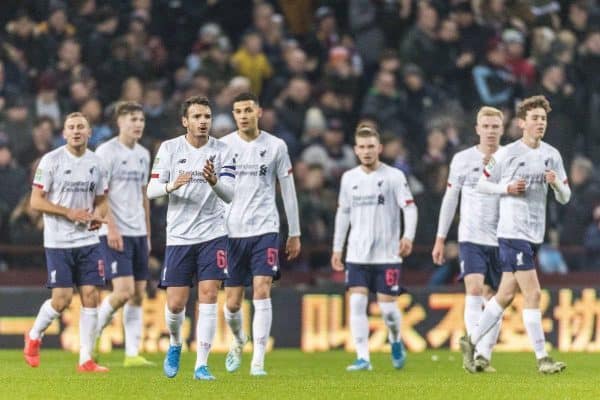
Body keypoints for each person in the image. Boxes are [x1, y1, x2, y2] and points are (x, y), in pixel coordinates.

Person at [460, 95, 570, 374]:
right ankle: (543, 358)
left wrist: (556, 184)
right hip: (511, 232)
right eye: (534, 118)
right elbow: (482, 185)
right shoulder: (506, 154)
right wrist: (505, 189)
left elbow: (566, 197)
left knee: (505, 295)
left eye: (543, 119)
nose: (539, 123)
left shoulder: (552, 155)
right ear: (522, 123)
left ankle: (470, 341)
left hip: (534, 234)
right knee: (533, 293)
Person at [147, 96, 235, 381]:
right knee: (175, 304)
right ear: (185, 121)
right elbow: (151, 190)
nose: (203, 122)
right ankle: (175, 343)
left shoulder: (223, 151)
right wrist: (173, 185)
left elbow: (231, 195)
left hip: (213, 233)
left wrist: (214, 181)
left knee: (208, 295)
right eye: (196, 117)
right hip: (179, 236)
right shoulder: (170, 149)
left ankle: (202, 364)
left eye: (207, 116)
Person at [220, 92, 301, 376]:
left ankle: (258, 362)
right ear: (233, 115)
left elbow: (287, 189)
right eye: (237, 111)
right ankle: (239, 337)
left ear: (259, 112)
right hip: (230, 232)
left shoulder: (276, 146)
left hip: (265, 228)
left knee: (262, 289)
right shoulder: (223, 146)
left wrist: (295, 232)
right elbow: (215, 192)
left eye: (247, 110)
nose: (242, 115)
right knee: (231, 304)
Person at [24, 112, 109, 372]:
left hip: (88, 239)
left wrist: (98, 217)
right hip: (58, 240)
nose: (76, 131)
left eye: (80, 127)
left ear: (89, 132)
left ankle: (85, 359)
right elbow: (35, 202)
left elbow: (103, 200)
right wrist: (68, 212)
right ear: (63, 133)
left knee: (91, 296)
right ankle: (34, 335)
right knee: (61, 300)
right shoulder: (51, 161)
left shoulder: (97, 163)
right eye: (71, 127)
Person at [331, 124, 417, 371]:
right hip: (357, 253)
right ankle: (363, 358)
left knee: (388, 310)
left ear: (379, 148)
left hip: (387, 254)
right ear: (356, 150)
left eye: (371, 147)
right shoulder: (349, 179)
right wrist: (338, 248)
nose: (367, 151)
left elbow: (409, 207)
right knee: (357, 304)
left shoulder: (394, 176)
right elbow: (343, 213)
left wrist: (407, 236)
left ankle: (396, 340)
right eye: (362, 147)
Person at [432, 106, 505, 372]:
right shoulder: (462, 159)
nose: (490, 131)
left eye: (495, 126)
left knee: (495, 298)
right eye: (485, 126)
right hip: (470, 237)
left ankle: (484, 355)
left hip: (501, 238)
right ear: (477, 129)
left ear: (502, 128)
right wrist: (440, 238)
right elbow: (450, 199)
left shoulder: (511, 159)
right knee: (474, 289)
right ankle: (473, 356)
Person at [94, 102, 153, 367]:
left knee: (138, 295)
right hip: (114, 231)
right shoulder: (106, 152)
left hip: (138, 231)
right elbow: (100, 195)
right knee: (123, 292)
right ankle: (91, 335)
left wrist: (148, 233)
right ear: (119, 122)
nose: (138, 124)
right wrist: (112, 227)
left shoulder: (143, 154)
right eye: (132, 119)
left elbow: (144, 195)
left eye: (141, 119)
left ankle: (132, 354)